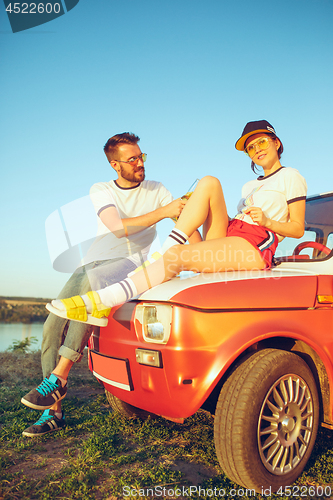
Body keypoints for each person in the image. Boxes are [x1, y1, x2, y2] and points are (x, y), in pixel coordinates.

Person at [24, 120, 307, 415]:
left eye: (261, 142)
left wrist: (266, 222)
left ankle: (102, 306)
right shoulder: (251, 185)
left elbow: (297, 228)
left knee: (173, 257)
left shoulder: (292, 177)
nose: (256, 149)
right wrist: (186, 231)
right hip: (230, 236)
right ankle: (52, 400)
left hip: (256, 243)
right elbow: (119, 227)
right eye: (251, 146)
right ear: (115, 165)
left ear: (276, 142)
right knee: (209, 182)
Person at [21, 132, 200, 437]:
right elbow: (118, 229)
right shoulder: (102, 189)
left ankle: (59, 379)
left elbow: (185, 223)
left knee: (89, 300)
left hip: (131, 263)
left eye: (142, 156)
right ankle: (54, 411)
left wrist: (198, 258)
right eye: (133, 159)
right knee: (51, 325)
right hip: (93, 262)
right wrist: (165, 211)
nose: (141, 162)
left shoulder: (157, 189)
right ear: (116, 165)